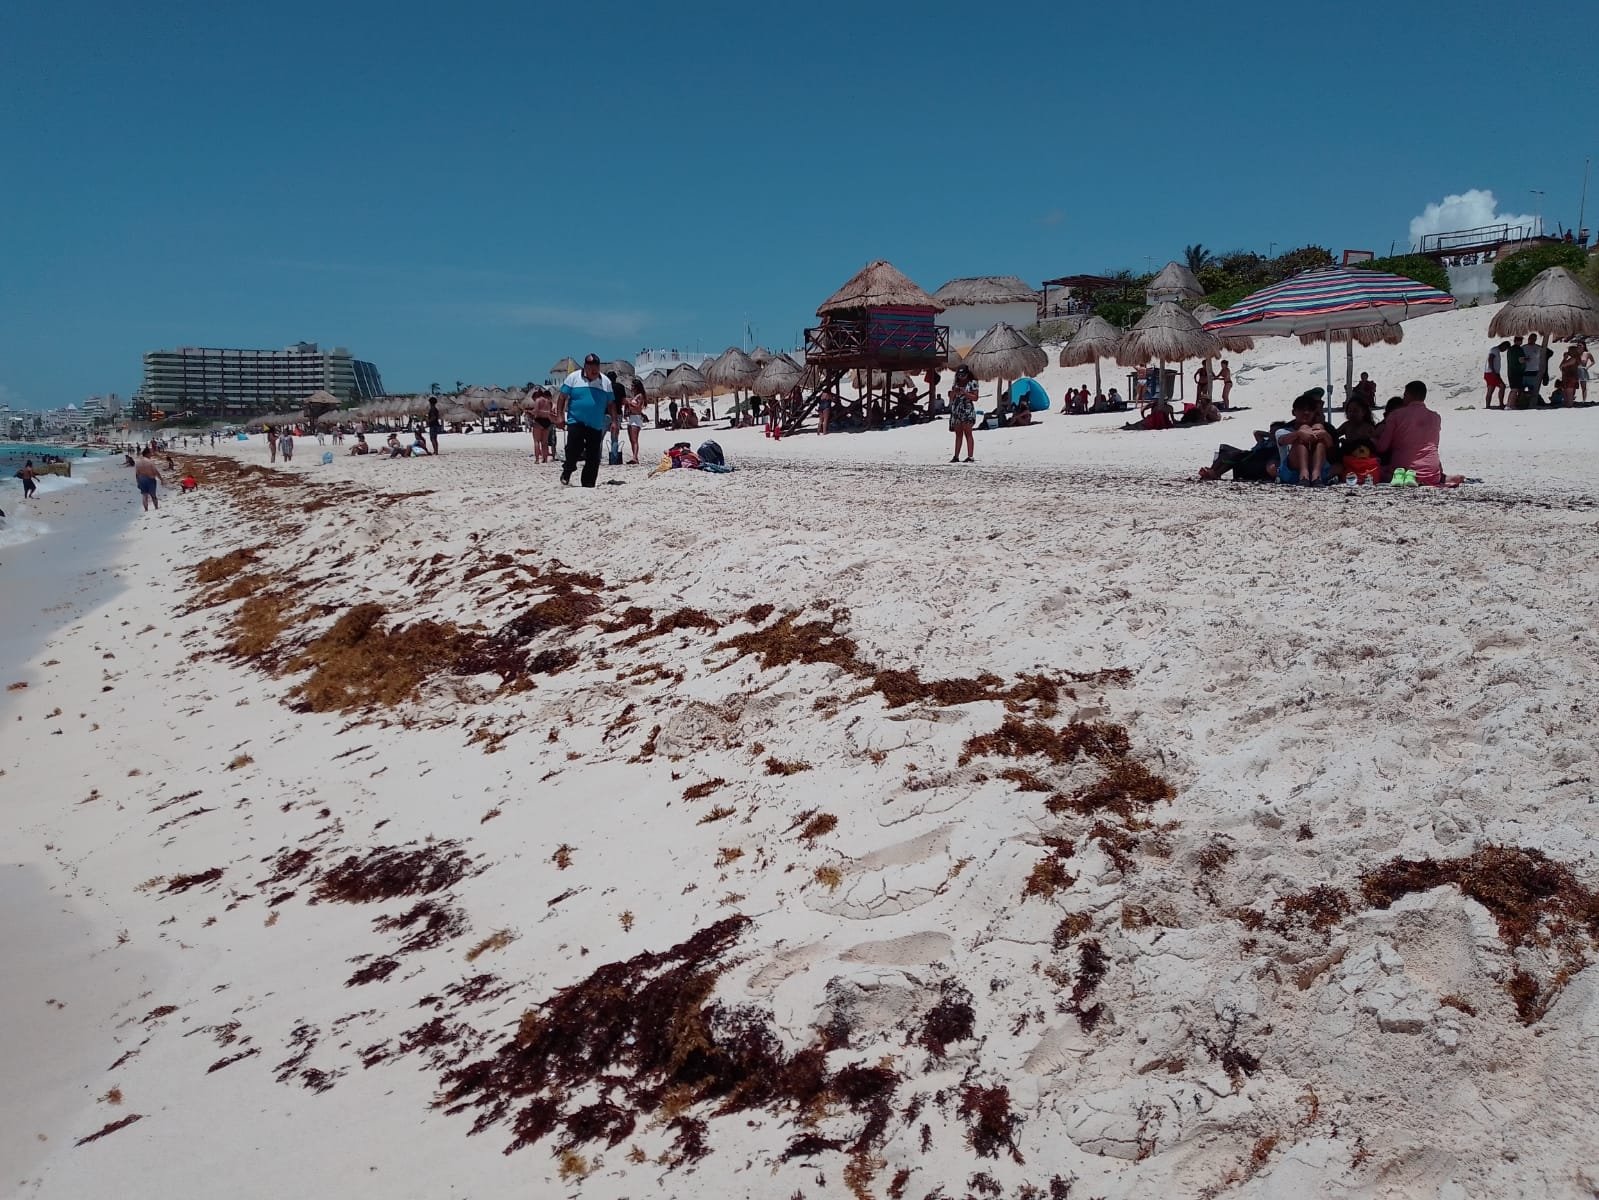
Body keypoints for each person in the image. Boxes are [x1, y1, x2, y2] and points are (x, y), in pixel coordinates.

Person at [1375, 380, 1463, 487]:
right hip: (1432, 474)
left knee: (1377, 468)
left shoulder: (1396, 415)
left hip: (1401, 473)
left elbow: (1382, 447)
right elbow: (1435, 446)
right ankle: (1446, 478)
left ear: (1407, 395)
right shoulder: (1435, 417)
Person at [557, 353, 617, 487]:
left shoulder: (605, 382)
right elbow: (562, 397)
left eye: (597, 369)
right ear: (585, 367)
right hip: (575, 420)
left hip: (595, 424)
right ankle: (568, 470)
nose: (594, 372)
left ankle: (588, 484)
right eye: (591, 369)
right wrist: (560, 416)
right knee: (573, 448)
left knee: (593, 456)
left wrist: (614, 421)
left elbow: (611, 403)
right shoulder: (573, 377)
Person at [1275, 389, 1334, 485]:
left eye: (1310, 410)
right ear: (1294, 412)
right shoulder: (1283, 431)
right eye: (1302, 409)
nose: (1306, 412)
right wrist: (1299, 434)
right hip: (1292, 472)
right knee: (1303, 430)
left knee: (1318, 428)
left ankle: (1316, 475)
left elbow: (1331, 448)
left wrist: (1324, 434)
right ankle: (1304, 475)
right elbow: (1282, 440)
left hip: (1319, 472)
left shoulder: (1320, 428)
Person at [948, 365, 978, 462]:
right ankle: (956, 456)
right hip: (957, 408)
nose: (961, 377)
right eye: (959, 375)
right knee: (958, 433)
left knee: (968, 432)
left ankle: (970, 456)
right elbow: (951, 397)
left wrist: (965, 393)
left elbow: (975, 397)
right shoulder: (956, 382)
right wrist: (954, 392)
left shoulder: (972, 383)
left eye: (963, 375)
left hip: (967, 408)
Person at [528, 388, 556, 463]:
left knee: (536, 441)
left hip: (539, 421)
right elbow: (549, 412)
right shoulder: (548, 402)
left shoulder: (538, 400)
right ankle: (545, 459)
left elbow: (536, 411)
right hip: (547, 421)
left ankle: (537, 459)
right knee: (545, 442)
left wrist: (530, 412)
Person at [1484, 342, 1509, 408]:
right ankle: (1501, 404)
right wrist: (1493, 371)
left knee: (1491, 389)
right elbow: (1490, 359)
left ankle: (1488, 406)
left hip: (1490, 372)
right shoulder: (1494, 350)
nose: (1504, 350)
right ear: (1503, 346)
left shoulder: (1495, 350)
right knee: (1502, 386)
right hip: (1491, 373)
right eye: (1505, 348)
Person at [1521, 334, 1544, 404]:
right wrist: (1524, 359)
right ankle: (1521, 401)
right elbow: (1519, 358)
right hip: (1524, 371)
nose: (1531, 340)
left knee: (1533, 390)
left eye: (1533, 339)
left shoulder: (1539, 348)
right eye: (1530, 338)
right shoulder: (1523, 347)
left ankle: (1532, 402)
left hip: (1534, 371)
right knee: (1521, 389)